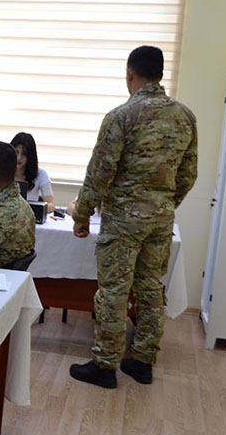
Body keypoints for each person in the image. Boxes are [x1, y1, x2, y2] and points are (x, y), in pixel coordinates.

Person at [69, 45, 198, 389]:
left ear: (130, 74)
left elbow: (100, 171)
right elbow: (188, 173)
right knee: (151, 290)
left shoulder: (121, 116)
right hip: (160, 219)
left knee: (113, 291)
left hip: (123, 220)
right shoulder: (185, 117)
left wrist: (82, 213)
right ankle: (142, 362)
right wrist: (164, 203)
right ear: (160, 74)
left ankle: (105, 365)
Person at [11, 131, 55, 213]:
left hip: (29, 219)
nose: (19, 158)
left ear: (30, 156)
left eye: (24, 154)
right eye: (16, 152)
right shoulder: (1, 171)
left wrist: (32, 209)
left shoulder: (41, 174)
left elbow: (51, 205)